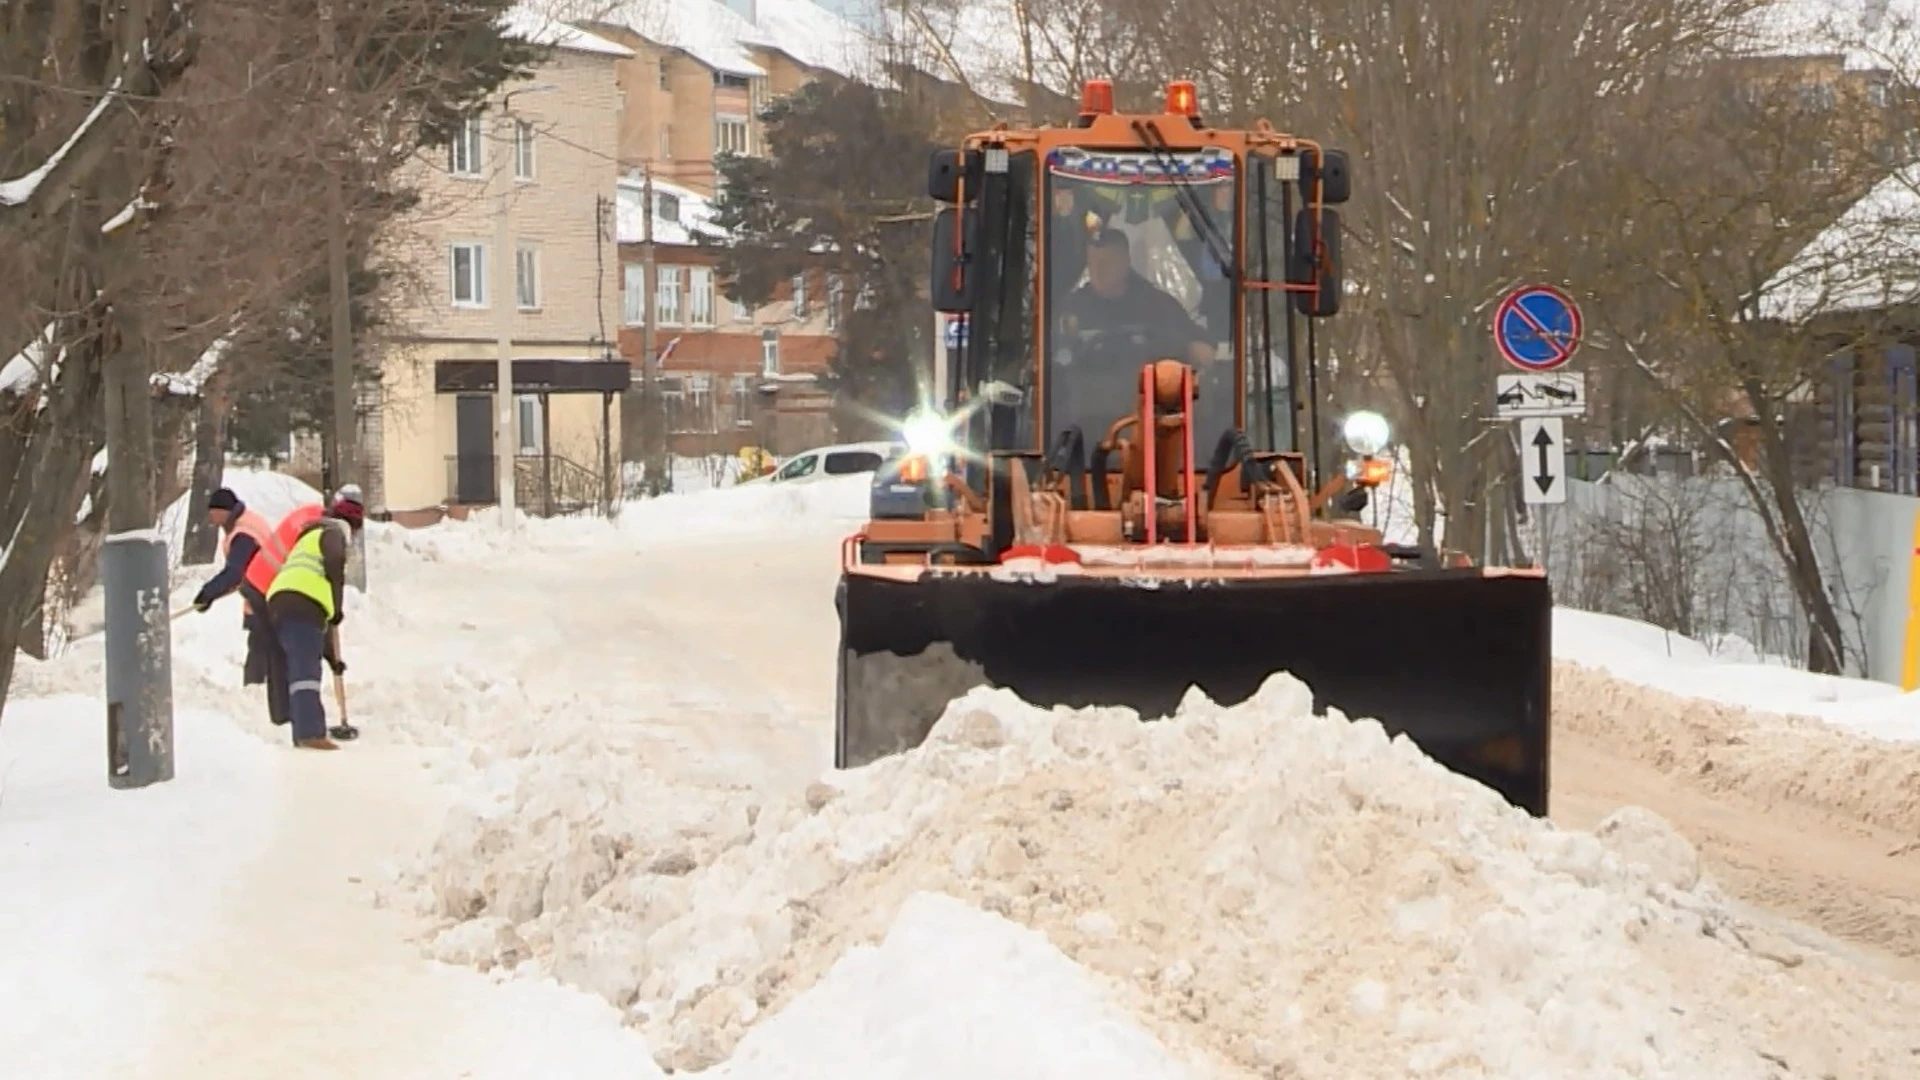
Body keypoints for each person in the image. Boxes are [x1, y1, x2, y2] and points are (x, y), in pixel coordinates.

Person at [265, 490, 365, 751]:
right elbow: (333, 563)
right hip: (302, 603)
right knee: (305, 670)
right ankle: (309, 733)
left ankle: (300, 728)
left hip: (282, 600)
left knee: (299, 661)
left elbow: (317, 633)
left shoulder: (309, 537)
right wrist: (338, 603)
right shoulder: (333, 532)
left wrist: (332, 658)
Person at [191, 488, 292, 725]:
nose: (209, 518)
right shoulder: (248, 521)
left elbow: (234, 572)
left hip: (265, 597)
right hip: (272, 592)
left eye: (212, 512)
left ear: (221, 512)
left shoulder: (243, 533)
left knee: (260, 650)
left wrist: (207, 594)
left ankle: (257, 695)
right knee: (268, 650)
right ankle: (270, 696)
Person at [1057, 227, 1215, 370]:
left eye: (1105, 263)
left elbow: (1195, 340)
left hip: (1145, 393)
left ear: (1124, 261)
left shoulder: (1156, 305)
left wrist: (1193, 347)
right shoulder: (1074, 307)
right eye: (1092, 263)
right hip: (1087, 397)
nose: (1098, 271)